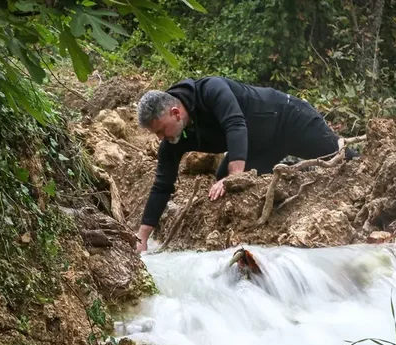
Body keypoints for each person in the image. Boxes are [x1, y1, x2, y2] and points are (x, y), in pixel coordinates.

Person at [134, 76, 357, 253]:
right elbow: (162, 185)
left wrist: (235, 178)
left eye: (161, 130)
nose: (160, 138)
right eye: (157, 133)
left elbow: (235, 124)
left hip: (290, 120)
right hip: (259, 147)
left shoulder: (211, 89)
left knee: (346, 161)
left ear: (175, 113)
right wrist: (142, 238)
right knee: (222, 190)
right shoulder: (173, 138)